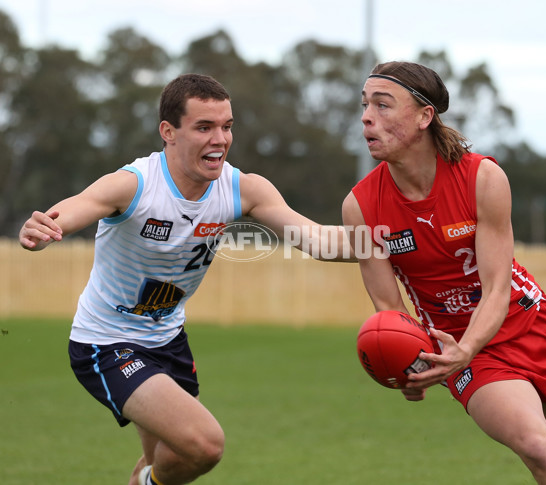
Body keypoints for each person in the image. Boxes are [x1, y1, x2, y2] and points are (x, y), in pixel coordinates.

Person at [19, 73, 350, 485]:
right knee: (204, 444)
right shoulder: (135, 185)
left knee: (164, 458)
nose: (221, 139)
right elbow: (76, 207)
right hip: (107, 343)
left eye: (227, 127)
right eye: (204, 127)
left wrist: (392, 242)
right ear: (168, 132)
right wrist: (43, 228)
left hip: (168, 340)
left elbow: (318, 239)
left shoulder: (242, 188)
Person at [342, 61, 546, 484]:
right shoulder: (361, 206)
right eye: (365, 104)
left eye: (383, 105)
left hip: (529, 322)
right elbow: (388, 309)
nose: (367, 116)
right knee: (539, 449)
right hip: (459, 348)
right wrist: (406, 364)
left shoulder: (482, 177)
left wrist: (468, 345)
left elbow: (498, 287)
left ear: (425, 117)